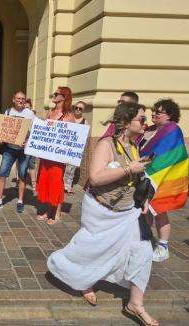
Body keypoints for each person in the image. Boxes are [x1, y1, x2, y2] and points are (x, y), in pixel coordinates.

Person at [47, 102, 158, 326]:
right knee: (89, 250)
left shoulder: (135, 146)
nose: (146, 123)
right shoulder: (106, 145)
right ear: (126, 122)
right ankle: (80, 279)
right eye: (141, 119)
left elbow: (134, 178)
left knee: (143, 250)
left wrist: (144, 197)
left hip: (128, 213)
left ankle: (135, 303)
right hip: (101, 211)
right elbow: (95, 177)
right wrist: (130, 169)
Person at [140, 99, 188, 262]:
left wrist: (151, 171)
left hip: (160, 176)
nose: (153, 113)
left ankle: (163, 246)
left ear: (169, 115)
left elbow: (171, 156)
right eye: (153, 110)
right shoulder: (151, 129)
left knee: (159, 210)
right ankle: (145, 240)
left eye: (158, 112)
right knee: (144, 210)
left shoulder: (172, 129)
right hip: (145, 175)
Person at [0, 91, 35, 214]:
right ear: (13, 99)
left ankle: (20, 201)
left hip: (24, 150)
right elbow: (2, 129)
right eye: (18, 98)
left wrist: (28, 142)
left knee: (22, 176)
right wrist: (1, 138)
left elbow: (35, 131)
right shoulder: (8, 112)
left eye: (23, 98)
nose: (21, 100)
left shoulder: (30, 114)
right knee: (2, 174)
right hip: (9, 149)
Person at [36, 87, 75, 224]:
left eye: (56, 94)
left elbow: (72, 138)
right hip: (46, 156)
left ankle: (57, 213)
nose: (54, 95)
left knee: (56, 183)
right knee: (46, 182)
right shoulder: (50, 112)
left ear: (63, 97)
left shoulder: (68, 116)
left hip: (59, 158)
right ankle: (48, 211)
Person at [63, 100, 88, 195]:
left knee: (71, 168)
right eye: (76, 108)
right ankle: (61, 185)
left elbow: (84, 137)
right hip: (64, 146)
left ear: (83, 111)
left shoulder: (85, 122)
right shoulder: (68, 118)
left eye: (80, 109)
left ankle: (68, 186)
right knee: (63, 167)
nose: (77, 110)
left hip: (75, 149)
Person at [24, 98, 37, 192]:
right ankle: (19, 181)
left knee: (31, 163)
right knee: (19, 163)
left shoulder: (35, 118)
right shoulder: (21, 116)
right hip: (22, 144)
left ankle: (33, 182)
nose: (26, 109)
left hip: (32, 144)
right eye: (25, 107)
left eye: (28, 107)